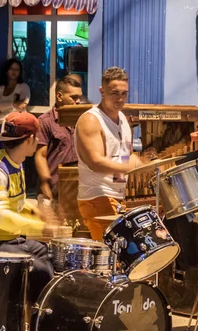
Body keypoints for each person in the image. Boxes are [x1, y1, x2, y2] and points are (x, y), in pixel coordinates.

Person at [0, 112, 61, 303]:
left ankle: (35, 315)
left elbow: (15, 201)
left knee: (49, 256)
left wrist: (35, 210)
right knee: (41, 270)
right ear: (29, 139)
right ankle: (36, 318)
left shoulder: (15, 163)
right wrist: (40, 227)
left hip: (10, 239)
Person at [75, 67, 144, 241]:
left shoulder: (123, 119)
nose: (120, 99)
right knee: (111, 258)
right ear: (102, 91)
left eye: (124, 93)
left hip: (116, 196)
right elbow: (95, 162)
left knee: (123, 257)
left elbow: (122, 159)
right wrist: (130, 165)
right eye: (114, 93)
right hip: (96, 196)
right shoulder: (90, 119)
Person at [35, 75, 82, 200]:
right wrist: (45, 186)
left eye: (79, 97)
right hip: (54, 191)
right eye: (74, 97)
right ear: (59, 96)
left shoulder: (83, 121)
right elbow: (40, 156)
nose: (78, 101)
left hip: (78, 189)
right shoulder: (45, 121)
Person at [0, 58, 30, 123]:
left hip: (19, 124)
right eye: (11, 69)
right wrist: (14, 104)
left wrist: (2, 108)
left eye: (17, 70)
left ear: (20, 72)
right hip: (2, 125)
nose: (14, 72)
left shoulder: (24, 87)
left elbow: (22, 105)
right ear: (6, 71)